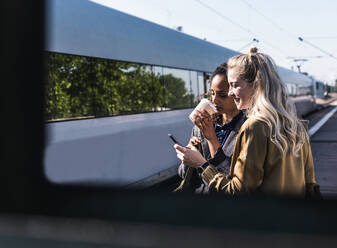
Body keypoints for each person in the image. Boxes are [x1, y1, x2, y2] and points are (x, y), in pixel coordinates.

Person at [175, 47, 321, 199]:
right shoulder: (295, 125)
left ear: (257, 85)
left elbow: (237, 191)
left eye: (234, 85)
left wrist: (202, 164)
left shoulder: (254, 126)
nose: (231, 92)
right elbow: (310, 185)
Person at [174, 63, 246, 193]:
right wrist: (188, 156)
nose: (214, 100)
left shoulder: (247, 129)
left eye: (222, 95)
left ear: (236, 92)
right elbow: (184, 175)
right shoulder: (202, 126)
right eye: (212, 93)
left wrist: (212, 139)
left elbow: (232, 184)